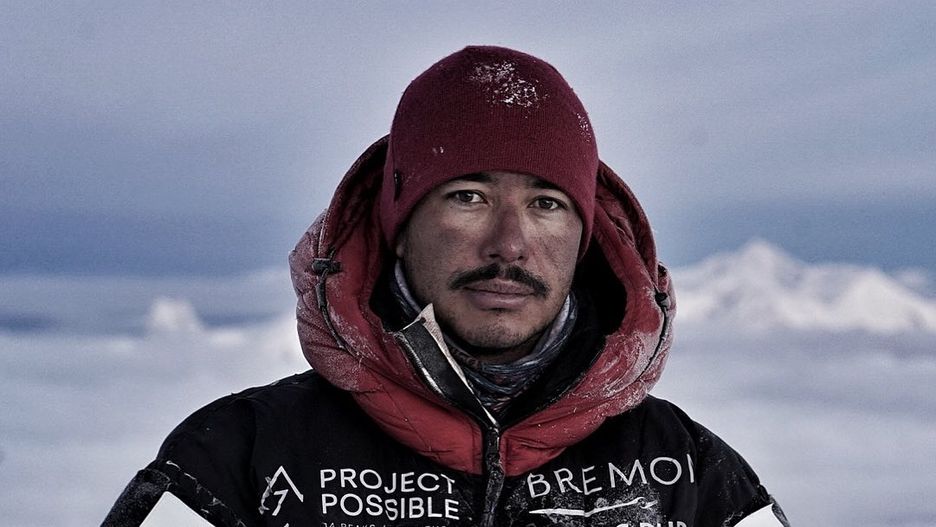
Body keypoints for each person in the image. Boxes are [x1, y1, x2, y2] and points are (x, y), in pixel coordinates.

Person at [104, 45, 789, 527]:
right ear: (399, 227)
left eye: (547, 203)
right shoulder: (240, 463)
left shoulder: (690, 478)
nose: (509, 244)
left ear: (582, 239)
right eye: (468, 197)